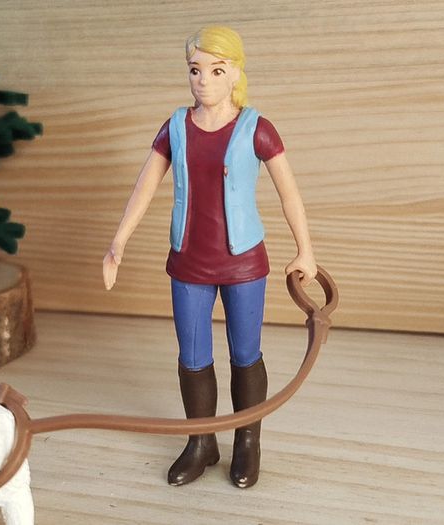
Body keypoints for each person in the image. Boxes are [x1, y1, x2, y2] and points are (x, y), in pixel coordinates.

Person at [103, 26, 316, 489]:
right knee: (193, 357)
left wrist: (306, 250)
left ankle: (247, 441)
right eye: (195, 70)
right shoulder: (175, 127)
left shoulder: (257, 128)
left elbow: (290, 194)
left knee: (246, 355)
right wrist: (119, 240)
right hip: (189, 263)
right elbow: (145, 186)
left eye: (216, 70)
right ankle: (201, 441)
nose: (203, 80)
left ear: (235, 73)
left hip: (244, 264)